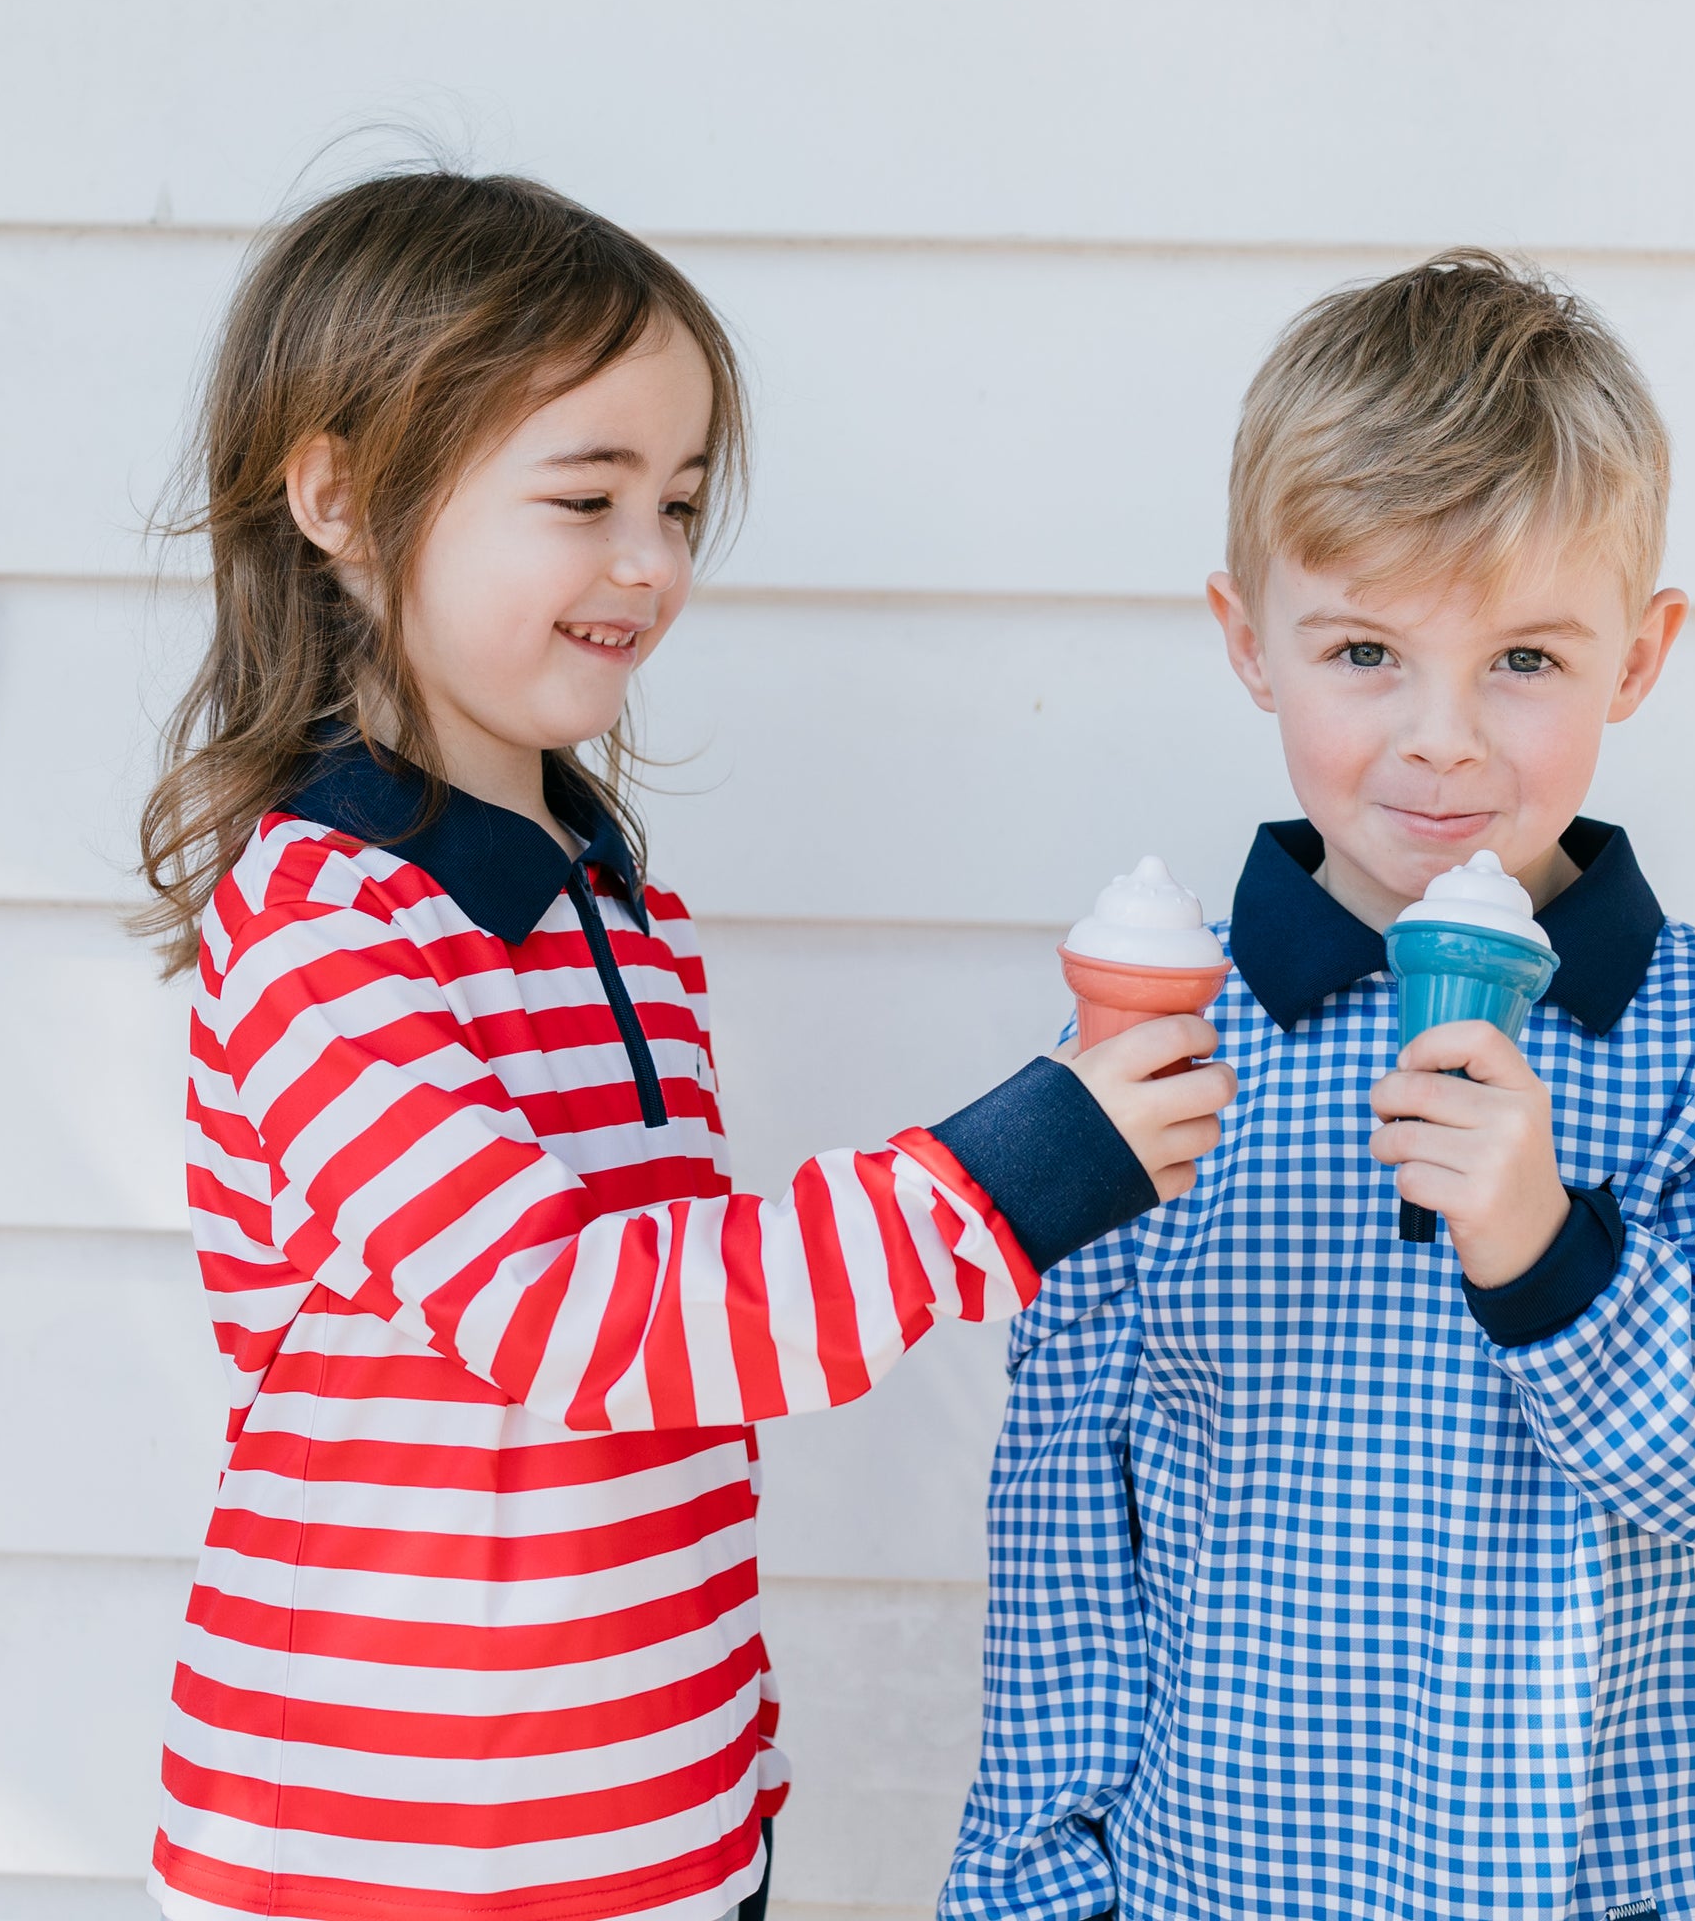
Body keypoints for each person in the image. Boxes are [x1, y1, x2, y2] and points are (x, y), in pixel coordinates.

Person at [134, 173, 1234, 1921]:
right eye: (584, 498)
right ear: (338, 494)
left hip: (658, 1814)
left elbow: (681, 1395)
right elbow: (590, 1319)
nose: (649, 563)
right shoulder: (326, 923)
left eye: (681, 502)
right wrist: (1017, 1174)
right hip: (381, 1839)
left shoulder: (616, 912)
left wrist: (729, 1768)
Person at [941, 253, 1695, 1921]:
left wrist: (1556, 1259)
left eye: (1526, 659)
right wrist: (1028, 1891)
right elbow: (1068, 1532)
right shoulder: (1164, 1040)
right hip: (1199, 1889)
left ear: (1639, 660)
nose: (1443, 740)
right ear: (1249, 642)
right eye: (1366, 651)